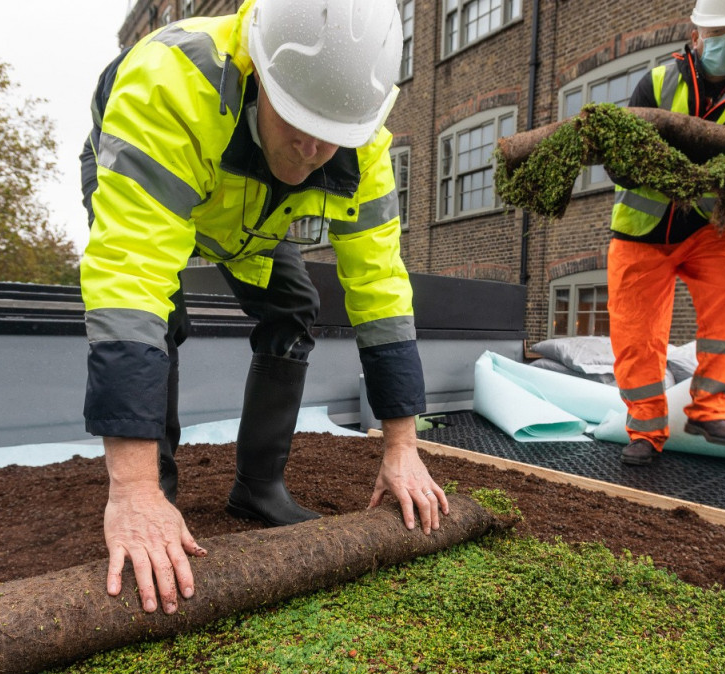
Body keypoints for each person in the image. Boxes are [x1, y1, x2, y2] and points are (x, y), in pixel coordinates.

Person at [78, 0, 449, 615]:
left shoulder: (364, 146)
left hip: (249, 213)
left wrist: (402, 446)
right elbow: (130, 280)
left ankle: (258, 486)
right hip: (157, 171)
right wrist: (133, 488)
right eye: (295, 120)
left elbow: (381, 289)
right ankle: (154, 497)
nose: (309, 149)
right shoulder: (173, 81)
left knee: (294, 306)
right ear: (260, 75)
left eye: (331, 137)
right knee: (159, 313)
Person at [606, 0, 725, 467]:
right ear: (696, 34)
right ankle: (645, 431)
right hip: (640, 233)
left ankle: (710, 409)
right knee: (637, 334)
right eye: (717, 32)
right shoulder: (658, 82)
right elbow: (619, 165)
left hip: (707, 228)